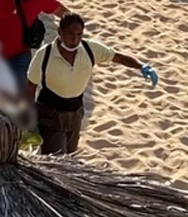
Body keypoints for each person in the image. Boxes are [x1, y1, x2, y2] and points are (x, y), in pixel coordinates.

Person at [26, 13, 158, 155]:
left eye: (79, 34)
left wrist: (141, 66)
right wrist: (29, 116)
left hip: (75, 113)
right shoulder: (44, 55)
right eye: (71, 34)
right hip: (50, 114)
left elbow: (117, 57)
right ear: (60, 32)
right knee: (56, 156)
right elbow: (30, 86)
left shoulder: (90, 49)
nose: (75, 39)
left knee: (70, 153)